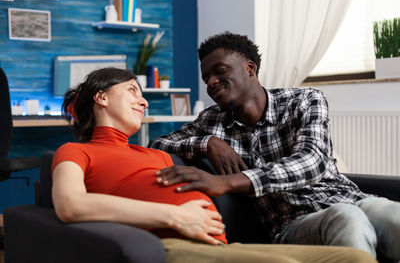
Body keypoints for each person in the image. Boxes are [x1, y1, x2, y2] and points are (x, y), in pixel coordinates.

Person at [51, 67, 375, 263]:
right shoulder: (74, 152)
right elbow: (70, 205)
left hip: (221, 245)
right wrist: (176, 215)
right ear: (101, 97)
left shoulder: (155, 154)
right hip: (170, 244)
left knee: (353, 257)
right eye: (132, 91)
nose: (144, 100)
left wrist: (207, 144)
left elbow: (167, 142)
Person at [148, 32, 400, 261]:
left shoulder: (304, 100)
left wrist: (228, 181)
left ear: (250, 68)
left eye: (220, 71)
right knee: (347, 218)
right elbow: (157, 143)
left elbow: (312, 160)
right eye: (206, 78)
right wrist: (208, 142)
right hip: (292, 223)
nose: (211, 82)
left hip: (349, 198)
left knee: (389, 212)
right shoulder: (211, 121)